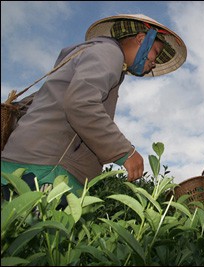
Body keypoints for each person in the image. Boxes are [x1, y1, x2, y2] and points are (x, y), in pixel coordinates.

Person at [1, 14, 187, 206]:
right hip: (48, 170)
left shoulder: (89, 53)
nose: (154, 62)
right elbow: (82, 103)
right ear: (142, 39)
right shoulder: (109, 53)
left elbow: (37, 103)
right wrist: (125, 152)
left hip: (23, 163)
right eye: (155, 51)